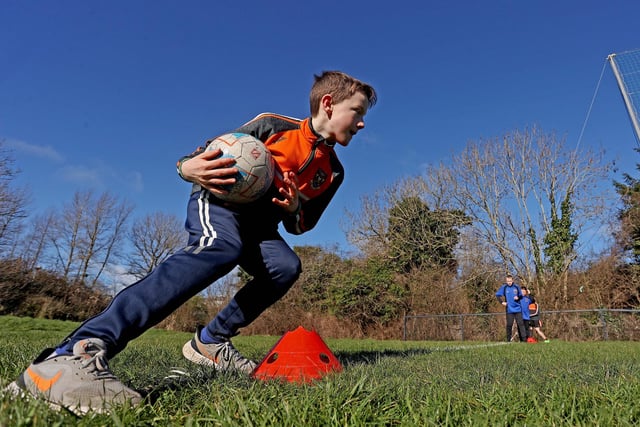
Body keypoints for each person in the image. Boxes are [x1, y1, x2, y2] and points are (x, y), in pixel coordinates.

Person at [7, 71, 377, 414]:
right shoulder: (273, 126)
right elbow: (207, 153)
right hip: (219, 205)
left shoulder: (334, 172)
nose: (361, 122)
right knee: (220, 248)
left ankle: (210, 343)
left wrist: (296, 206)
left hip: (261, 229)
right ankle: (75, 352)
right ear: (328, 104)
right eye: (356, 111)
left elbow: (303, 226)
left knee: (285, 267)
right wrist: (186, 166)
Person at [495, 274, 527, 342]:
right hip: (509, 310)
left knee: (520, 324)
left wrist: (518, 297)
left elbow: (521, 296)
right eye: (507, 281)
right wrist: (502, 302)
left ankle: (524, 340)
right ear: (506, 281)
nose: (509, 282)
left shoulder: (516, 287)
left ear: (512, 280)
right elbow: (497, 295)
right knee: (509, 324)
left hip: (518, 309)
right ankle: (508, 340)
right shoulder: (504, 287)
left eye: (510, 281)